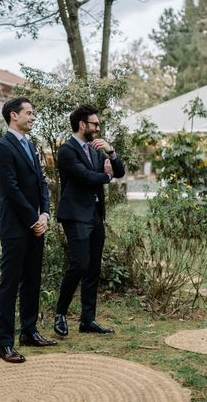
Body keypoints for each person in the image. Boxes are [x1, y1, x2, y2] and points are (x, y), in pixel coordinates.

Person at [0, 97, 56, 364]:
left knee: (32, 280)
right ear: (13, 115)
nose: (33, 117)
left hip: (35, 225)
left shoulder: (30, 145)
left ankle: (29, 332)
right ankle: (5, 344)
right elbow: (11, 189)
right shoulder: (2, 147)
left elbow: (41, 182)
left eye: (33, 113)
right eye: (29, 113)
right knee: (10, 284)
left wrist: (45, 213)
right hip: (16, 227)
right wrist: (33, 219)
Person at [54, 104, 125, 337]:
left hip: (95, 215)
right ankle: (60, 314)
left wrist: (112, 153)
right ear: (82, 124)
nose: (98, 127)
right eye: (94, 123)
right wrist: (106, 176)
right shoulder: (66, 150)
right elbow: (84, 177)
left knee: (93, 267)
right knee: (79, 264)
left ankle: (88, 320)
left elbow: (120, 172)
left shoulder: (97, 150)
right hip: (75, 216)